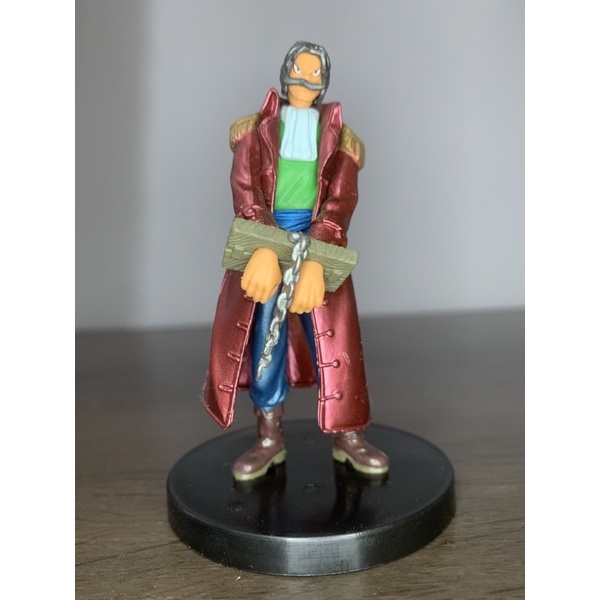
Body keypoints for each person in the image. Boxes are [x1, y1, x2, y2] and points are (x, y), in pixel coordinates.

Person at [203, 41, 389, 481]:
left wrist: (317, 257)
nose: (305, 81)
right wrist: (266, 246)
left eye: (314, 74)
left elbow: (340, 202)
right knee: (263, 339)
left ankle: (348, 432)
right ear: (285, 73)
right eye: (299, 72)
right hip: (267, 238)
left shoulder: (342, 140)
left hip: (319, 243)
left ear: (325, 82)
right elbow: (246, 191)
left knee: (334, 342)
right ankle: (268, 434)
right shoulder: (255, 131)